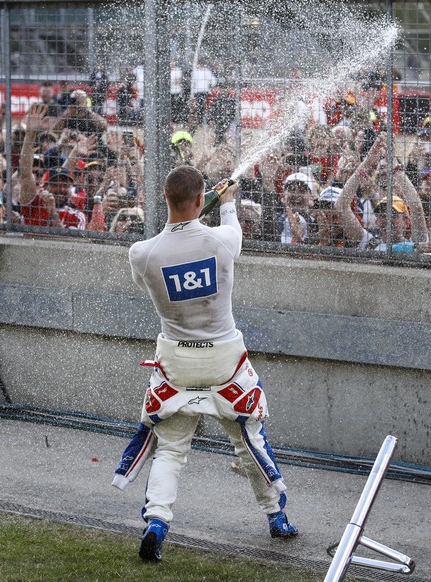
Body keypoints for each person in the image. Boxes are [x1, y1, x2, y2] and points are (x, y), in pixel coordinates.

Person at [113, 166, 297, 562]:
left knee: (171, 448)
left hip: (177, 363)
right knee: (248, 440)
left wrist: (199, 210)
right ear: (202, 200)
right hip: (223, 361)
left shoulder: (142, 254)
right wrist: (226, 202)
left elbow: (168, 254)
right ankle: (276, 516)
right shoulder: (223, 240)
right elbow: (231, 232)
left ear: (164, 199)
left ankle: (157, 522)